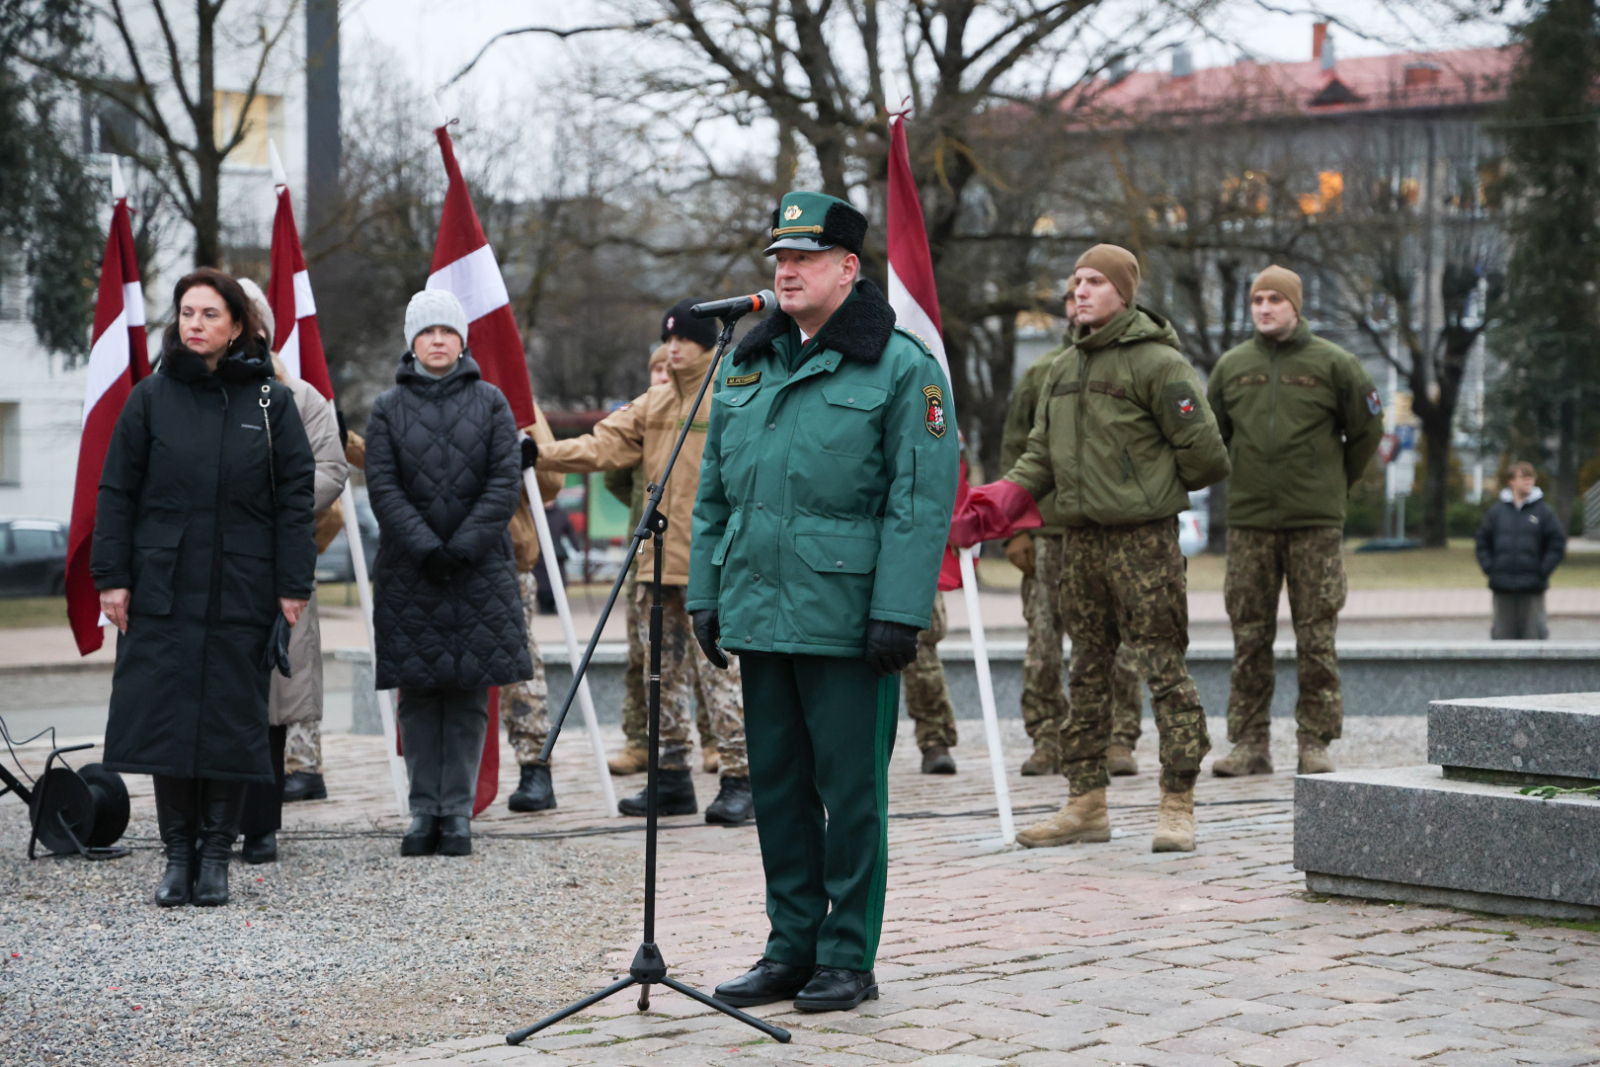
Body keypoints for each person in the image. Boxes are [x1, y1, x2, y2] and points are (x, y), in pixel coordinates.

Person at [693, 191, 959, 1013]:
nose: (785, 271)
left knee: (851, 796)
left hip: (849, 618)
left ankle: (849, 954)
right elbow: (713, 495)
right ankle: (791, 946)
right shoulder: (747, 359)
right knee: (777, 789)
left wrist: (899, 610)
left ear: (849, 267)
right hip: (763, 612)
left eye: (803, 259)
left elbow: (920, 501)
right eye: (779, 259)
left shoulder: (901, 366)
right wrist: (708, 592)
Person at [950, 244, 1229, 854]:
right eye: (1075, 280)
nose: (1078, 290)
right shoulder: (1061, 369)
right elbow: (1040, 457)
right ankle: (1085, 803)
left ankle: (1177, 801)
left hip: (1144, 542)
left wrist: (1144, 489)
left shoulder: (1160, 364)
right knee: (1088, 670)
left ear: (1124, 294)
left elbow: (1207, 455)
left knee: (1162, 668)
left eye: (1094, 281)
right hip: (1079, 543)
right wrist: (996, 502)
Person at [93, 268, 317, 907]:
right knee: (167, 722)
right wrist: (112, 578)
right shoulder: (149, 397)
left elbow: (295, 496)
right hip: (162, 588)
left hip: (241, 590)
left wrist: (292, 582)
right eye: (187, 312)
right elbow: (116, 492)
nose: (196, 324)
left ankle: (216, 857)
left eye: (210, 314)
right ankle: (176, 856)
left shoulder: (271, 399)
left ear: (238, 326)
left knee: (229, 721)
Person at [529, 300, 752, 824]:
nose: (673, 348)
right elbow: (600, 446)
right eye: (668, 339)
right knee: (661, 677)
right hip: (656, 567)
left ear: (704, 342)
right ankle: (670, 778)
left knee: (723, 678)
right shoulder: (654, 403)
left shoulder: (733, 393)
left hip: (712, 566)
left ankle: (741, 779)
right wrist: (537, 454)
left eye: (684, 339)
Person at [365, 289, 532, 857]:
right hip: (411, 574)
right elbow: (383, 486)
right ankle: (422, 811)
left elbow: (503, 481)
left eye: (447, 331)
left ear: (462, 339)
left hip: (476, 572)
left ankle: (456, 812)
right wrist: (424, 546)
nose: (438, 340)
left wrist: (461, 546)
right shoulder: (387, 408)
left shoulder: (490, 403)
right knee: (418, 695)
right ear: (412, 341)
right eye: (427, 331)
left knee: (465, 696)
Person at [1207, 266, 1384, 777]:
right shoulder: (1232, 367)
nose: (1265, 308)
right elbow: (1213, 438)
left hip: (1315, 525)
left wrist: (1332, 484)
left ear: (1295, 306)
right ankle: (1249, 743)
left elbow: (1368, 430)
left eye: (1275, 299)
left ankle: (1315, 741)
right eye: (1257, 299)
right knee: (1249, 636)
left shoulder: (1335, 364)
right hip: (1250, 524)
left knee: (1316, 635)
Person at [1003, 293, 1145, 778]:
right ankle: (1046, 736)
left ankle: (1119, 738)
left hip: (1114, 528)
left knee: (1120, 639)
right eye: (1071, 290)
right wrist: (1015, 529)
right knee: (1042, 641)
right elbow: (1016, 450)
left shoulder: (1140, 365)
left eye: (1093, 284)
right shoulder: (1045, 371)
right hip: (1049, 530)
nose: (1079, 297)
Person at [234, 280, 350, 862]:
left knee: (274, 702)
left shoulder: (300, 396)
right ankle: (207, 823)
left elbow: (331, 467)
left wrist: (274, 508)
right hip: (212, 568)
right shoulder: (189, 392)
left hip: (276, 564)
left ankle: (260, 826)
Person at [608, 348, 720, 777]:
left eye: (666, 367)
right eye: (654, 367)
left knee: (709, 659)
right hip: (649, 555)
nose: (661, 374)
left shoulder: (704, 412)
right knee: (647, 660)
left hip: (694, 555)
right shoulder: (641, 421)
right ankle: (643, 744)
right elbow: (618, 478)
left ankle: (715, 744)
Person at [501, 398, 564, 812]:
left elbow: (551, 482)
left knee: (520, 667)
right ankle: (444, 780)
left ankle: (535, 769)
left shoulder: (512, 392)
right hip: (436, 553)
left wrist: (530, 456)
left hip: (505, 554)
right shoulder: (409, 396)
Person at [1477, 461, 1566, 640]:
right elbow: (1482, 542)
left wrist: (1542, 571)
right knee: (1502, 640)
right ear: (1511, 481)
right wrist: (1491, 569)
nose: (1528, 481)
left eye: (1531, 477)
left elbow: (1557, 544)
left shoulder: (1544, 512)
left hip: (1532, 587)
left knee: (1534, 638)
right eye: (1523, 477)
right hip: (1502, 588)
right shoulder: (1497, 512)